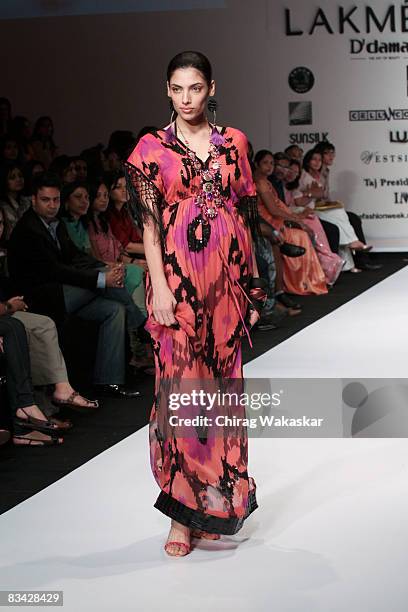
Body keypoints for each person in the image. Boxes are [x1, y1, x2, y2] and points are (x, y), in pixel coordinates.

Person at [125, 50, 263, 556]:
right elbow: (148, 223)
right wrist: (158, 287)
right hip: (177, 286)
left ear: (211, 88)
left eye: (195, 88)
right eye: (177, 89)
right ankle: (180, 515)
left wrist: (251, 288)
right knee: (180, 397)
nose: (186, 98)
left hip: (225, 287)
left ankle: (213, 501)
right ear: (167, 90)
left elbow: (245, 216)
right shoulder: (150, 148)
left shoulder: (235, 144)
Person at [7, 171, 141, 398]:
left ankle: (108, 382)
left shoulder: (54, 224)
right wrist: (101, 277)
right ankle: (142, 324)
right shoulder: (29, 230)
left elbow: (75, 257)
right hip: (40, 297)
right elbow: (55, 270)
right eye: (46, 200)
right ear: (33, 200)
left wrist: (104, 268)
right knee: (104, 284)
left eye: (56, 200)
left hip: (65, 291)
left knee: (114, 310)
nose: (52, 205)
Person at [254, 149, 327, 296]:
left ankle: (304, 283)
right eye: (265, 163)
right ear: (256, 163)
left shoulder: (267, 181)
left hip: (276, 221)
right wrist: (296, 219)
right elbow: (274, 210)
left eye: (271, 163)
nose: (270, 167)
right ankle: (293, 287)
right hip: (268, 222)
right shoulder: (260, 183)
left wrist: (296, 219)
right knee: (300, 236)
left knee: (304, 232)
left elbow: (279, 207)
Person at [295, 149, 371, 273]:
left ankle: (349, 262)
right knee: (337, 221)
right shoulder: (302, 175)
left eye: (319, 160)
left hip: (315, 208)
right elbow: (298, 199)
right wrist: (311, 193)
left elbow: (321, 195)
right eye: (314, 159)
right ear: (307, 161)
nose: (317, 163)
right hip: (305, 211)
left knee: (340, 217)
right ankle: (353, 243)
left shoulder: (320, 175)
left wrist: (321, 197)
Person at [315, 141, 381, 271]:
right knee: (340, 219)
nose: (331, 157)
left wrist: (331, 203)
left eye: (332, 153)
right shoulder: (313, 174)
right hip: (314, 210)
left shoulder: (325, 172)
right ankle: (351, 250)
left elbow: (324, 196)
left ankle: (361, 259)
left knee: (353, 218)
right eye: (327, 153)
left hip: (323, 208)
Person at [285, 160, 343, 286]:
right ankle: (328, 262)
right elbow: (296, 204)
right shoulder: (278, 186)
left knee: (330, 225)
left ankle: (328, 261)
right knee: (312, 224)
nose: (292, 173)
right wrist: (310, 194)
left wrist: (310, 194)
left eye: (296, 172)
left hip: (303, 214)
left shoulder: (293, 186)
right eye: (290, 170)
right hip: (290, 218)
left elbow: (321, 194)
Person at [0, 162, 31, 241]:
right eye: (12, 177)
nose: (18, 179)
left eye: (20, 176)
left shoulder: (29, 200)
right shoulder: (2, 205)